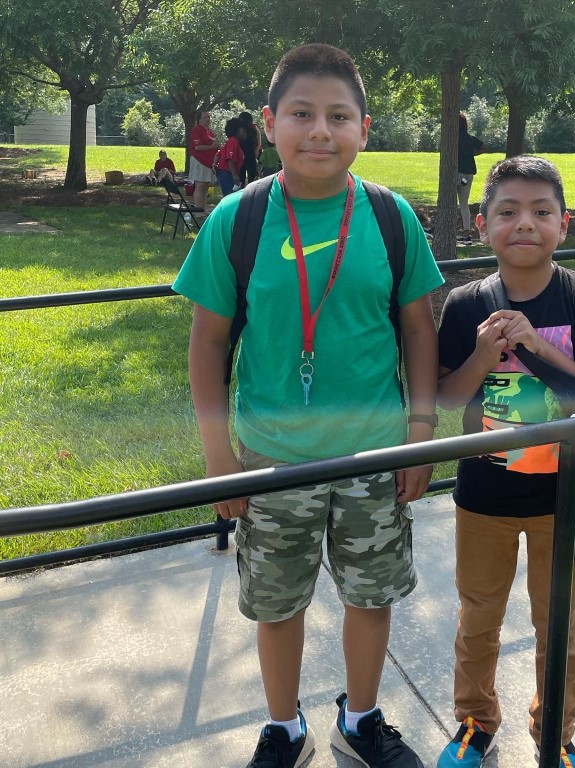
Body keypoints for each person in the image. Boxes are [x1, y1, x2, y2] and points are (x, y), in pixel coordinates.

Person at [172, 42, 444, 768]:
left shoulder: (390, 218)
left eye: (337, 116)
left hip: (375, 454)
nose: (319, 130)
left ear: (364, 127)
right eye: (301, 114)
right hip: (268, 461)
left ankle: (359, 719)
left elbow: (419, 326)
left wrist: (420, 431)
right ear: (268, 123)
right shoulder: (237, 219)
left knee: (370, 596)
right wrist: (216, 455)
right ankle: (283, 727)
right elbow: (207, 344)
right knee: (276, 603)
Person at [436, 156, 575, 768]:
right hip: (482, 496)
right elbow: (446, 399)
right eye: (507, 212)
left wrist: (538, 346)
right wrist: (485, 354)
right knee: (478, 616)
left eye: (542, 212)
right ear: (482, 224)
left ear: (563, 226)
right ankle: (474, 721)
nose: (525, 224)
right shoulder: (464, 306)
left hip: (562, 499)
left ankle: (556, 734)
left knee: (558, 625)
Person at [456, 113, 488, 244]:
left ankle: (446, 229)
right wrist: (473, 153)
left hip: (456, 173)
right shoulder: (470, 138)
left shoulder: (453, 138)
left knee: (449, 202)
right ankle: (467, 234)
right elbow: (485, 147)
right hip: (468, 173)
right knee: (464, 204)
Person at [189, 109, 219, 208]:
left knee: (206, 186)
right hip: (199, 161)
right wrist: (211, 147)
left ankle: (203, 209)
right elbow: (197, 147)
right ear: (199, 119)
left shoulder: (209, 131)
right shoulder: (196, 130)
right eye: (205, 117)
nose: (207, 119)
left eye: (208, 117)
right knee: (200, 185)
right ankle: (198, 211)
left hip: (208, 162)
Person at [214, 116, 246, 196]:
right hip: (227, 173)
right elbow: (229, 159)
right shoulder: (233, 141)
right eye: (243, 130)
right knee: (230, 196)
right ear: (236, 131)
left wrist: (214, 164)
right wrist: (235, 175)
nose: (245, 133)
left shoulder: (231, 142)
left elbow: (218, 153)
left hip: (225, 173)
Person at [239, 111, 263, 185]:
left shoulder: (253, 127)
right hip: (246, 153)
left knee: (251, 174)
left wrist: (256, 151)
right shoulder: (242, 128)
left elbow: (258, 141)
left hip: (250, 152)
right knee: (245, 173)